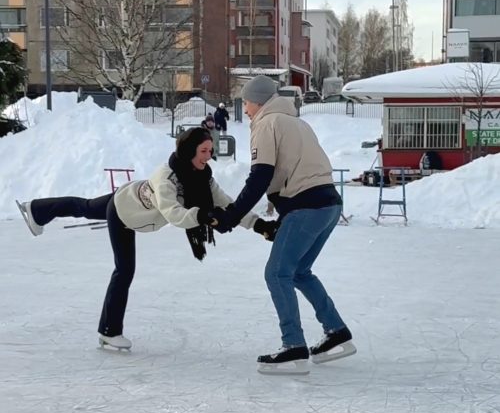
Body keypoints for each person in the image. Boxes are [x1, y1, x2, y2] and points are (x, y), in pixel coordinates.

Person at [16, 128, 276, 351]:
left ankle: (36, 210)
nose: (209, 156)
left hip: (129, 197)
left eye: (210, 150)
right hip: (124, 212)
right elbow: (173, 213)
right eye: (204, 151)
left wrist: (258, 225)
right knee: (124, 269)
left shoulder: (203, 178)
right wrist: (204, 216)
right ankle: (109, 330)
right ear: (189, 152)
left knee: (83, 207)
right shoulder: (167, 178)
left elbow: (229, 204)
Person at [210, 75, 356, 374]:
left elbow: (260, 177)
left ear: (259, 101)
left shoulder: (267, 123)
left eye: (247, 102)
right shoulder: (297, 123)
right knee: (299, 272)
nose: (246, 108)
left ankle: (294, 347)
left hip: (306, 206)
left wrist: (232, 216)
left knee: (277, 273)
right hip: (328, 204)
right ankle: (336, 332)